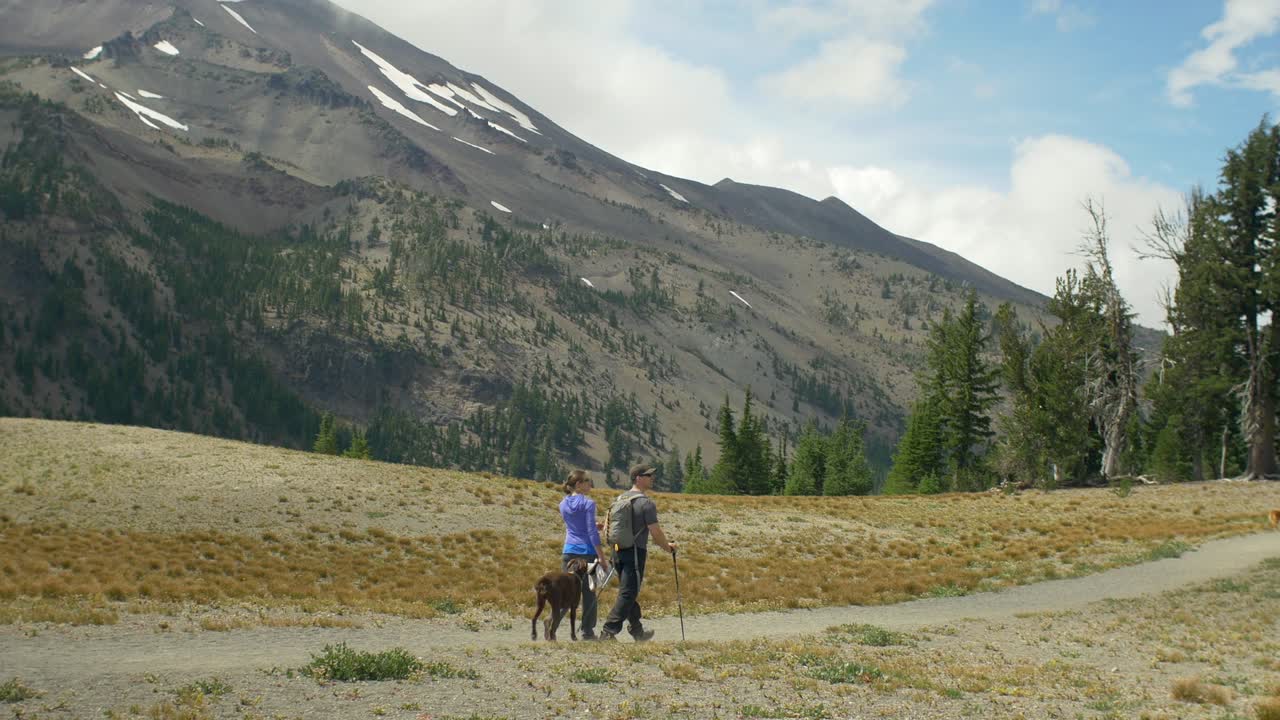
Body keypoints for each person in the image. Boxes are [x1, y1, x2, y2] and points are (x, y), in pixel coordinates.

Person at [599, 463, 676, 642]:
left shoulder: (619, 499)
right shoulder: (646, 503)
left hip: (617, 551)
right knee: (628, 593)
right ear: (638, 478)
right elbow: (656, 532)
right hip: (634, 552)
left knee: (628, 591)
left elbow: (607, 526)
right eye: (648, 476)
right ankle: (608, 632)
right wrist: (668, 547)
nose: (652, 478)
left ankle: (637, 631)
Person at [559, 469, 609, 640]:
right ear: (579, 484)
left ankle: (552, 622)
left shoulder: (563, 504)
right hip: (587, 553)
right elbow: (590, 533)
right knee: (589, 593)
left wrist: (593, 525)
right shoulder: (589, 503)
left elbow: (575, 526)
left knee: (567, 592)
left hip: (569, 550)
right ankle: (587, 631)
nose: (590, 484)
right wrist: (601, 556)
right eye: (587, 481)